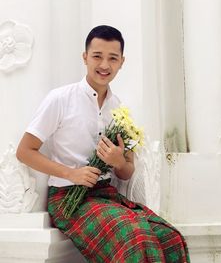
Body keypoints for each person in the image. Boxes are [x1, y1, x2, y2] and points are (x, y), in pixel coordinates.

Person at [17, 25, 190, 263]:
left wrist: (118, 161)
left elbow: (127, 171)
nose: (104, 65)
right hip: (69, 200)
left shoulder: (118, 109)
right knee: (134, 238)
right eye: (97, 56)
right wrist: (71, 173)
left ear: (122, 62)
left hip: (105, 195)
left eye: (113, 58)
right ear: (85, 57)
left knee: (170, 237)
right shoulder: (60, 99)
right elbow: (24, 151)